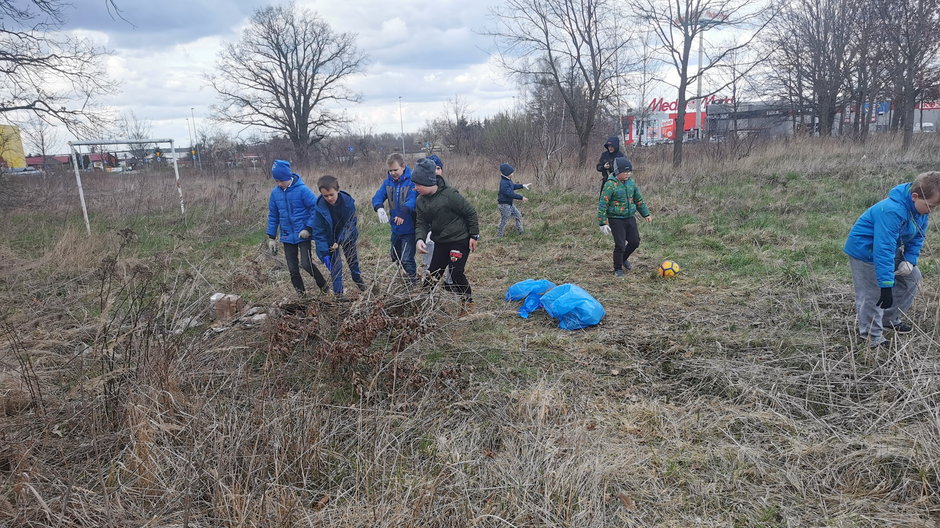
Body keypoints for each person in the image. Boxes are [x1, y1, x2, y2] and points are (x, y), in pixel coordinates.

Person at [843, 171, 940, 348]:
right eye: (931, 205)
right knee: (873, 294)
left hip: (886, 249)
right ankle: (872, 337)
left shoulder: (921, 211)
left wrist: (909, 260)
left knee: (912, 277)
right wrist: (886, 285)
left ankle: (888, 317)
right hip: (866, 251)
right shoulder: (892, 211)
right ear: (915, 196)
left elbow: (918, 237)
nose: (932, 211)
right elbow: (883, 249)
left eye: (935, 207)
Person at [413, 157, 480, 306]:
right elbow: (421, 222)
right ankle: (423, 304)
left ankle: (468, 302)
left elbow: (470, 212)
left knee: (456, 273)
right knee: (432, 275)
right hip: (441, 242)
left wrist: (474, 235)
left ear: (428, 182)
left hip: (459, 240)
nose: (415, 187)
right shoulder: (420, 200)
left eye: (418, 184)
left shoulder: (449, 195)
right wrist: (419, 239)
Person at [266, 159, 328, 295]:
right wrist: (271, 237)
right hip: (287, 235)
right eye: (276, 181)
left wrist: (308, 228)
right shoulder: (275, 194)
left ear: (288, 177)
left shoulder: (302, 190)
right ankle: (301, 295)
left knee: (306, 264)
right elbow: (273, 216)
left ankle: (324, 287)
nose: (279, 183)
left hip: (303, 234)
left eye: (281, 180)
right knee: (293, 268)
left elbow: (315, 209)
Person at [311, 174, 366, 295]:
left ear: (337, 190)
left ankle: (359, 282)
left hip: (347, 236)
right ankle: (339, 295)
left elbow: (351, 224)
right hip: (330, 240)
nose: (329, 198)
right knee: (336, 267)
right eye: (325, 196)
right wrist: (324, 252)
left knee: (353, 262)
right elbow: (319, 232)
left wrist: (340, 240)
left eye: (331, 194)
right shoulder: (319, 208)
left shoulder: (347, 203)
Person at [598, 157, 651, 277]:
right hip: (616, 219)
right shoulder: (610, 185)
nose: (627, 174)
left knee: (635, 242)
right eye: (625, 172)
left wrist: (646, 214)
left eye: (629, 172)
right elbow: (603, 203)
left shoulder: (631, 183)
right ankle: (618, 269)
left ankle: (623, 259)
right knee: (620, 245)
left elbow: (638, 199)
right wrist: (603, 222)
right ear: (617, 171)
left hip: (629, 217)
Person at [371, 153, 418, 281]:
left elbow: (413, 199)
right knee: (395, 255)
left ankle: (412, 284)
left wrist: (404, 211)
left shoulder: (413, 181)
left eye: (395, 170)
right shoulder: (388, 183)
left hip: (409, 228)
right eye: (390, 170)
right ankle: (403, 277)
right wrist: (379, 207)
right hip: (395, 228)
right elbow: (378, 196)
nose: (393, 173)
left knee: (407, 258)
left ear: (403, 167)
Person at [496, 163, 532, 237]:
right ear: (507, 173)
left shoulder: (508, 180)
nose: (513, 173)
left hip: (509, 203)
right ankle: (499, 235)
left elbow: (513, 186)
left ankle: (521, 231)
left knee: (518, 215)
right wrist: (521, 197)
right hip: (504, 205)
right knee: (505, 219)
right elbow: (509, 194)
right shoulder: (504, 183)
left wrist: (522, 186)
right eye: (511, 172)